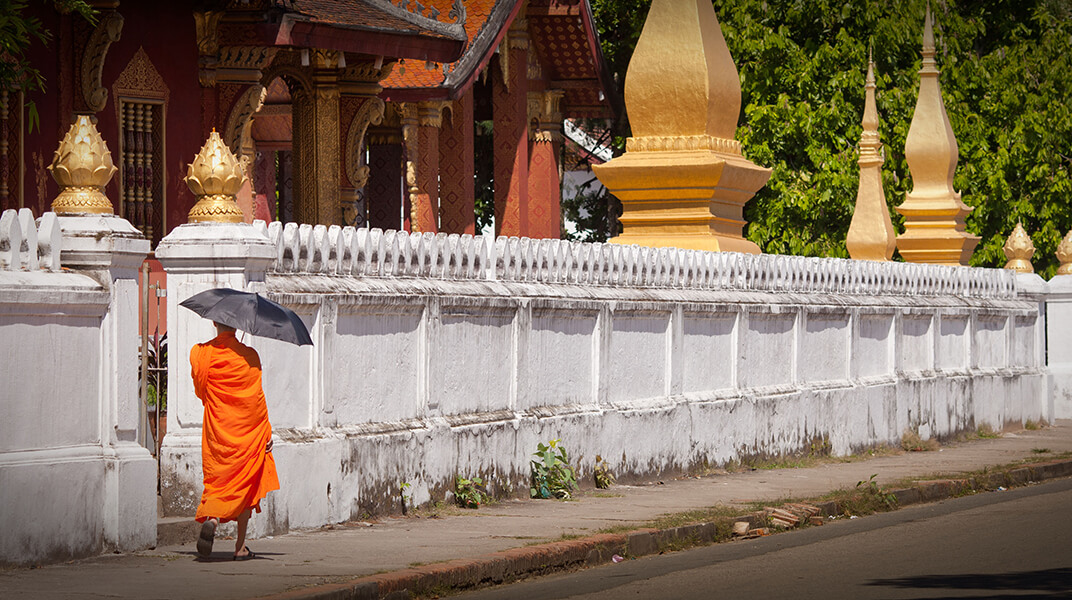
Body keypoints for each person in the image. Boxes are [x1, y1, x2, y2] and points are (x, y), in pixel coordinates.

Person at [190, 322, 280, 560]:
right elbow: (256, 399)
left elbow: (201, 391)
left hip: (218, 429)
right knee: (246, 485)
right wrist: (266, 431)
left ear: (213, 322)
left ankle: (213, 518)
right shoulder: (250, 356)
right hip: (248, 432)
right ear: (238, 327)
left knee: (218, 479)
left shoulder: (200, 353)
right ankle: (240, 547)